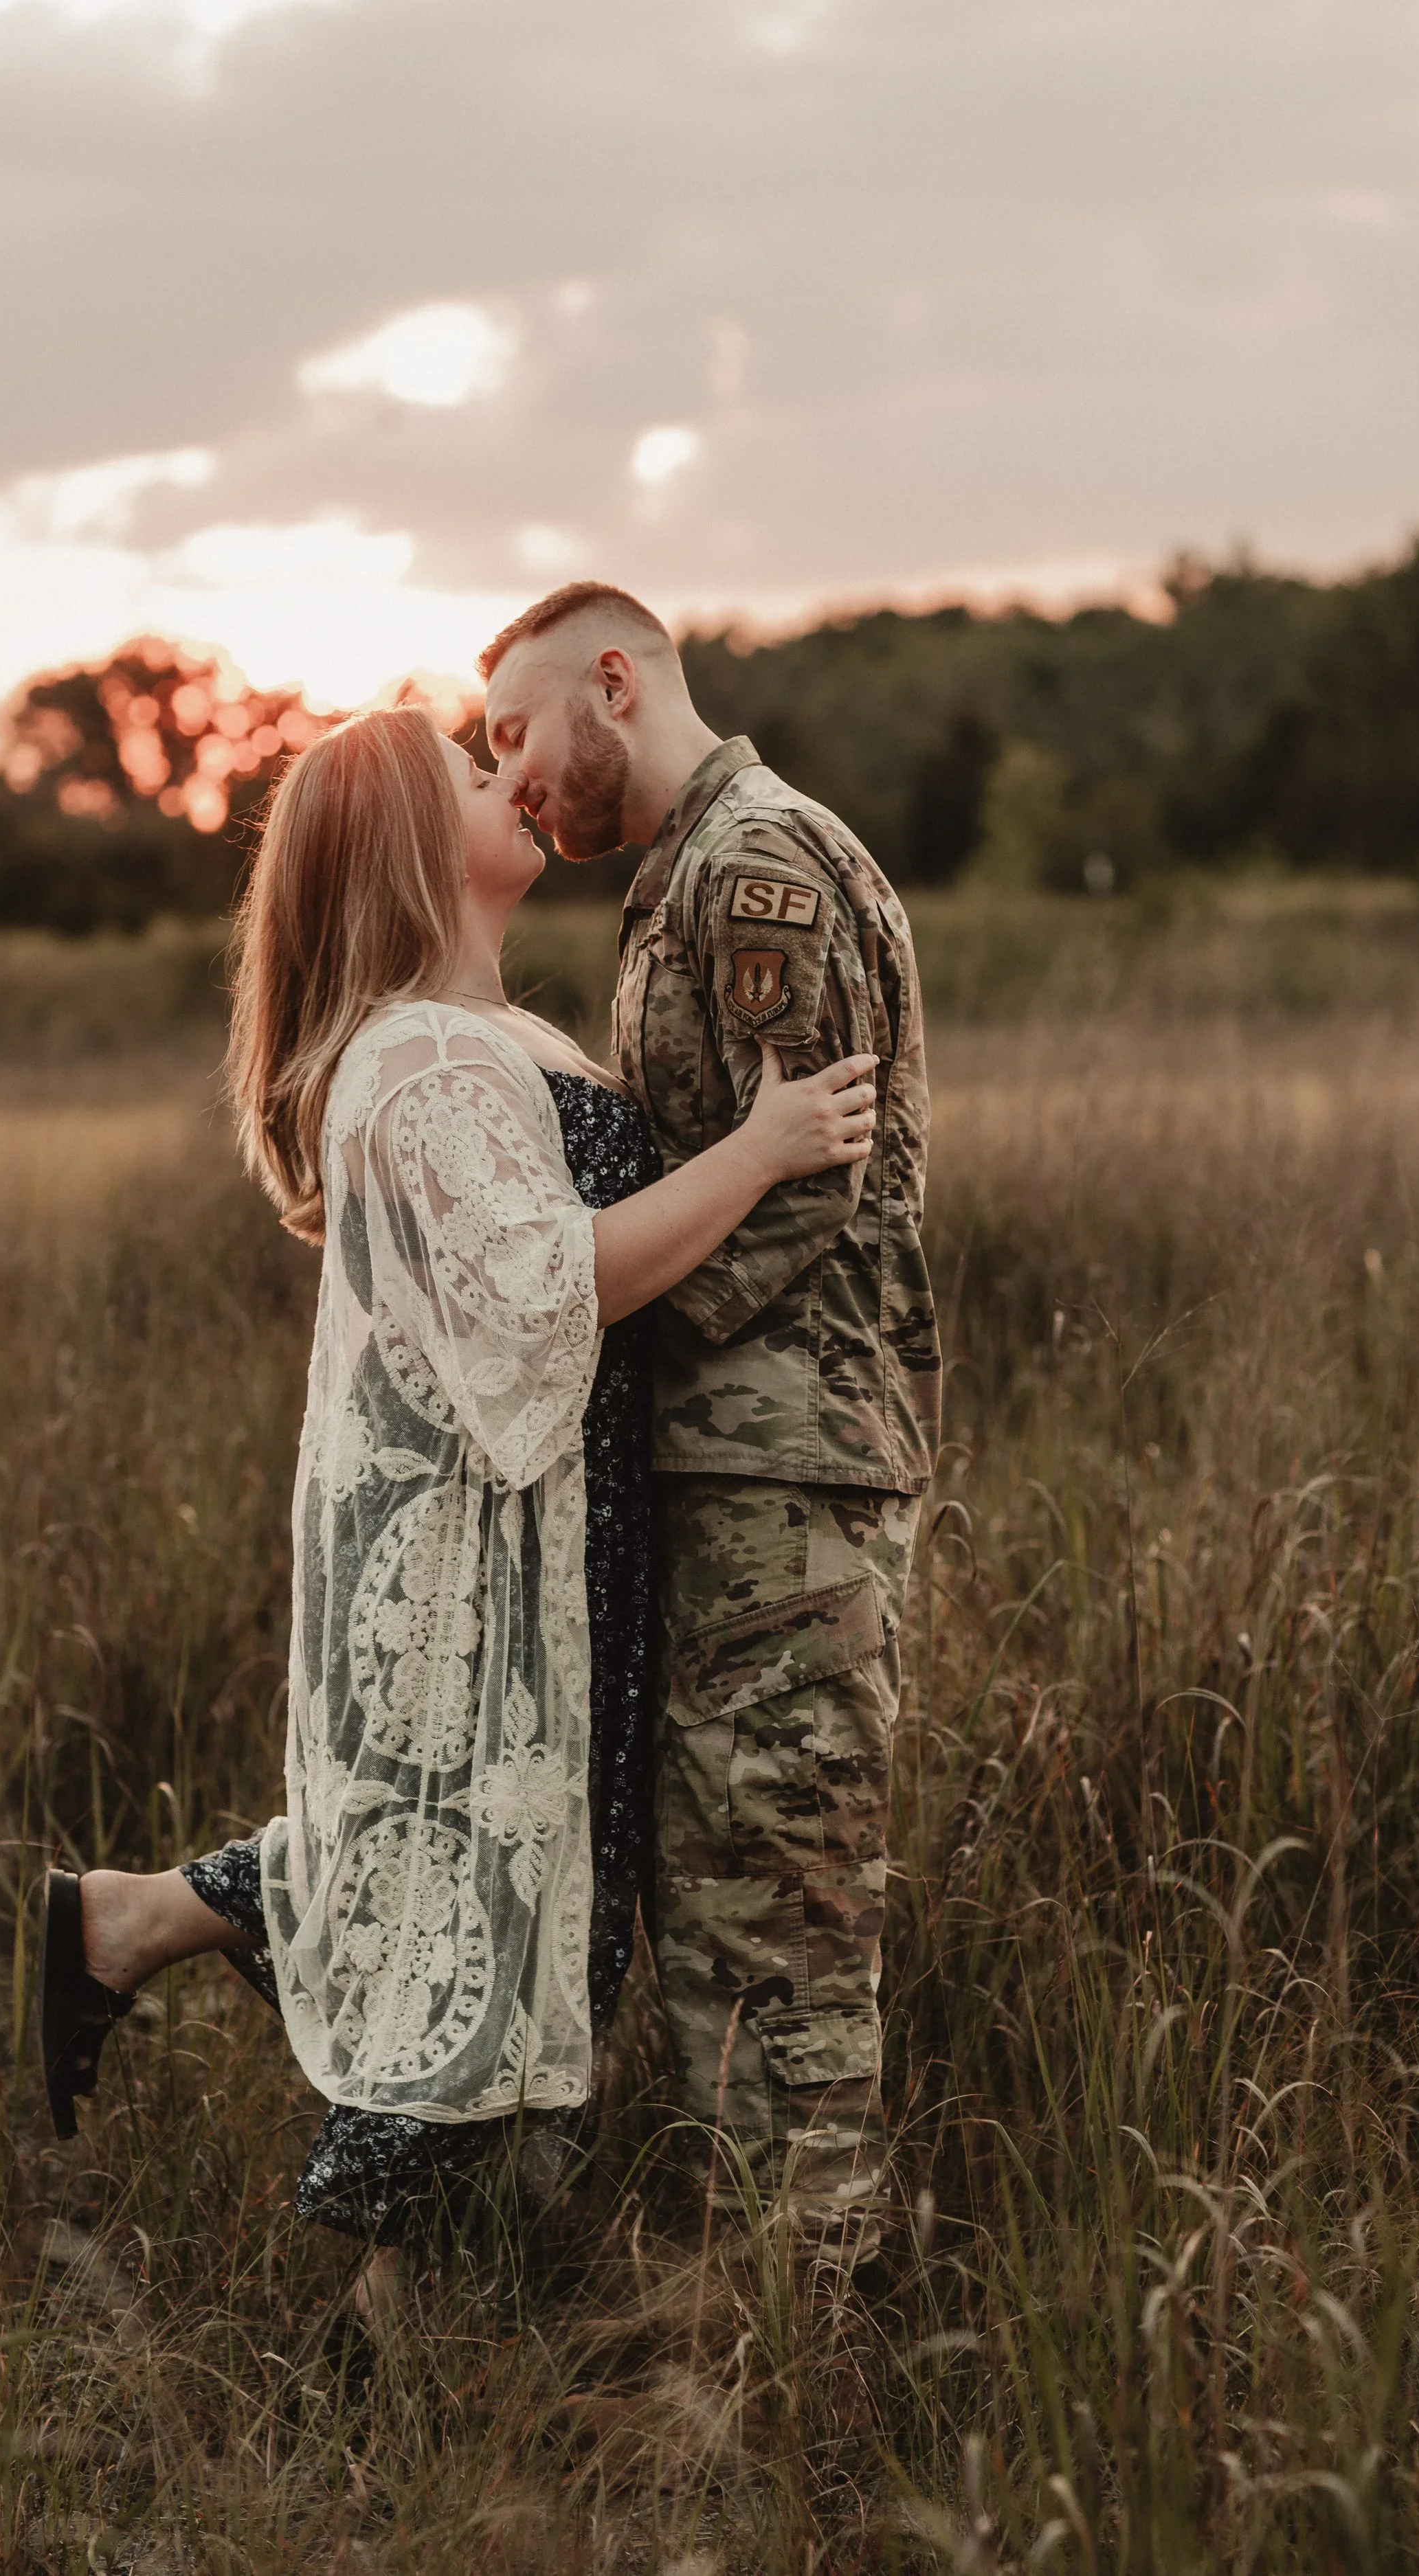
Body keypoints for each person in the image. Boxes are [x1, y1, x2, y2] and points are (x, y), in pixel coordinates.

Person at [38, 703, 878, 2331]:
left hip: (556, 1530)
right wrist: (765, 1151)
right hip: (486, 1558)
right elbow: (551, 1287)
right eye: (466, 778)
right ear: (414, 853)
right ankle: (391, 2363)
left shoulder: (495, 1037)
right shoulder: (419, 1061)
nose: (511, 780)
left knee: (495, 1878)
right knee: (466, 1906)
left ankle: (134, 1924)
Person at [479, 585, 941, 2280]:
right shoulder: (681, 880)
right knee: (732, 1886)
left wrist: (588, 1313)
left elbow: (800, 1188)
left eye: (516, 734)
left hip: (784, 1467)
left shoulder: (754, 871)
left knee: (777, 1910)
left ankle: (800, 2341)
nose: (511, 779)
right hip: (742, 1463)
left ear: (615, 680)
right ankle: (764, 2296)